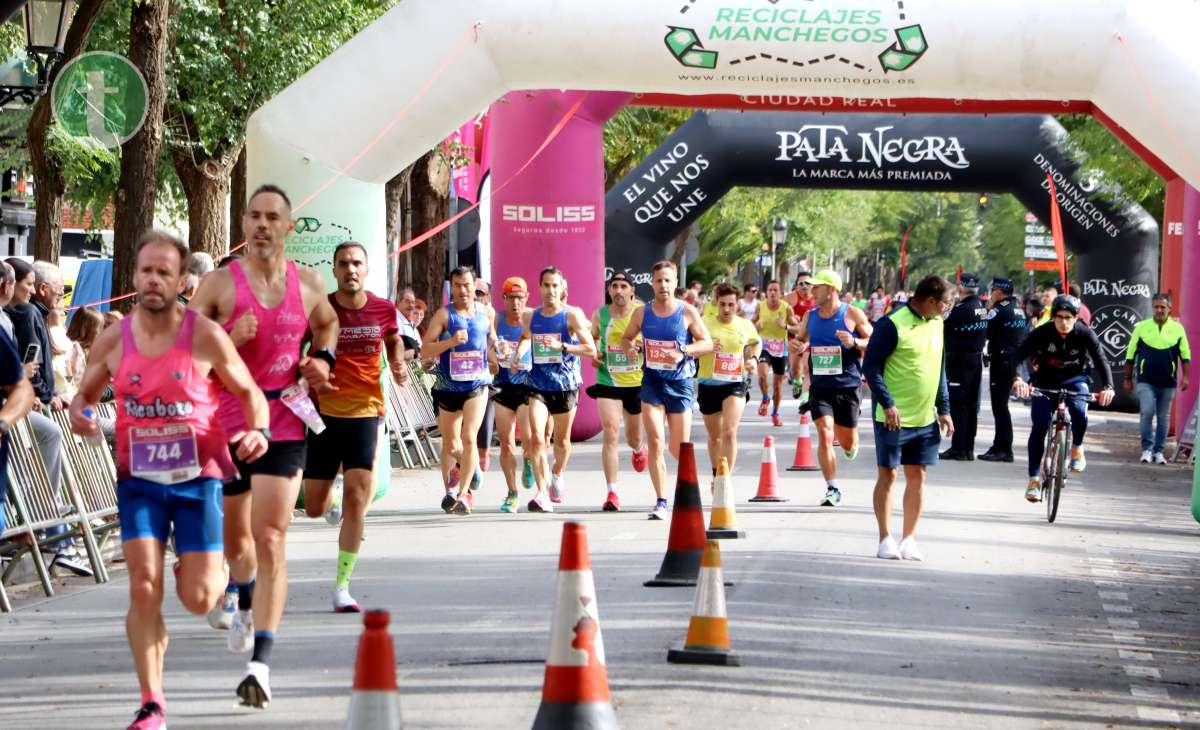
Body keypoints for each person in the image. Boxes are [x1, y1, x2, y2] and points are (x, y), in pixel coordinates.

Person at [69, 230, 269, 730]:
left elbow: (248, 391)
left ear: (182, 281)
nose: (153, 279)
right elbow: (83, 396)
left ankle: (201, 573)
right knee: (142, 585)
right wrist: (82, 414)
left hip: (197, 477)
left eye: (164, 271)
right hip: (139, 479)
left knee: (201, 598)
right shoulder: (114, 339)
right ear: (134, 278)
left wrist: (259, 430)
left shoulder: (204, 334)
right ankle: (152, 702)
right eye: (145, 271)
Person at [188, 184, 339, 708]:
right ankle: (243, 590)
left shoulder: (311, 284)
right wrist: (230, 331)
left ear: (289, 227)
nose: (260, 225)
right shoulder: (217, 285)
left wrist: (324, 360)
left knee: (271, 534)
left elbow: (328, 323)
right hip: (228, 417)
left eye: (272, 217)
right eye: (253, 216)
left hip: (285, 416)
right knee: (239, 545)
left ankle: (261, 664)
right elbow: (189, 355)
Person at [300, 242, 407, 613]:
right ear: (334, 269)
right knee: (313, 506)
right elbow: (298, 352)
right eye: (344, 263)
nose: (351, 269)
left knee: (359, 500)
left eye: (357, 263)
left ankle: (342, 586)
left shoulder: (383, 308)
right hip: (322, 415)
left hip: (365, 412)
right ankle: (330, 495)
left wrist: (397, 363)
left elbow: (393, 338)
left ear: (367, 268)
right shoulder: (321, 309)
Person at [4, 258, 91, 577]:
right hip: (18, 407)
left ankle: (56, 523)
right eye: (25, 285)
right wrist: (40, 393)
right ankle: (50, 519)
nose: (62, 298)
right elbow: (26, 362)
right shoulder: (25, 313)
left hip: (26, 402)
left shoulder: (23, 314)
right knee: (53, 436)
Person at [862, 275, 954, 562]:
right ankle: (885, 538)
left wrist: (944, 408)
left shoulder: (938, 323)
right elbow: (871, 366)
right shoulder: (892, 324)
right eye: (945, 304)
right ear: (930, 301)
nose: (947, 309)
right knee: (888, 475)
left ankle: (909, 539)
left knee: (918, 477)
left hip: (925, 417)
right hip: (893, 417)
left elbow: (939, 369)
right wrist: (888, 403)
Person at [620, 260, 712, 520]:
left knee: (678, 448)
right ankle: (661, 500)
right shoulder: (641, 313)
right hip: (652, 383)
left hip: (680, 383)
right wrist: (630, 347)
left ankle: (687, 492)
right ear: (652, 283)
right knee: (656, 442)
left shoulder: (687, 312)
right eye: (659, 280)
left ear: (675, 283)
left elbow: (706, 344)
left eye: (668, 280)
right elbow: (626, 337)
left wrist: (683, 351)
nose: (663, 285)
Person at [1012, 295, 1115, 502]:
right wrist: (1017, 379)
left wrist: (1109, 387)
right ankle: (1034, 479)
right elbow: (1017, 356)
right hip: (1045, 381)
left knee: (1078, 411)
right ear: (1053, 317)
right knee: (1039, 425)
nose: (1064, 322)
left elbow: (1101, 359)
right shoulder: (1042, 333)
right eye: (1059, 317)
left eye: (1069, 317)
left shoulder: (1085, 333)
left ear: (1076, 317)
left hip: (1076, 379)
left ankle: (1077, 446)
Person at [515, 267, 596, 512]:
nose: (550, 290)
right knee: (537, 437)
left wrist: (562, 346)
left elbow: (590, 349)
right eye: (546, 285)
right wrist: (519, 355)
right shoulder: (531, 316)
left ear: (562, 289)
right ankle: (542, 493)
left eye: (555, 286)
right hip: (537, 383)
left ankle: (557, 472)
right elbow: (526, 337)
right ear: (539, 288)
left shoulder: (571, 317)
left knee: (562, 440)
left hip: (565, 384)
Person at [422, 266, 496, 515]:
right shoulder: (444, 315)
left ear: (474, 286)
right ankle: (467, 468)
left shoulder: (487, 313)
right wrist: (450, 342)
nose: (462, 290)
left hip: (477, 383)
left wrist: (500, 351)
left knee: (469, 437)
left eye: (466, 285)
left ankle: (464, 494)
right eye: (457, 285)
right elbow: (425, 350)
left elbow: (492, 342)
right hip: (448, 384)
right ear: (451, 288)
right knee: (451, 444)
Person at [795, 270, 872, 507]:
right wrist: (797, 345)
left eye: (817, 287)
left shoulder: (851, 314)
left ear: (831, 289)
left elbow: (873, 340)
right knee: (825, 432)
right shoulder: (810, 316)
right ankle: (832, 488)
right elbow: (799, 340)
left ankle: (851, 445)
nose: (812, 291)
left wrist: (855, 342)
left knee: (847, 442)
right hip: (820, 387)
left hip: (848, 386)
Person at [585, 272, 648, 512]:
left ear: (632, 290)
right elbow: (592, 339)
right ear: (610, 291)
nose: (619, 291)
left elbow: (653, 341)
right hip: (608, 381)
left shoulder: (642, 313)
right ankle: (612, 491)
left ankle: (637, 449)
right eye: (614, 286)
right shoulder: (600, 315)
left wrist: (639, 346)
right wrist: (595, 354)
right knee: (610, 432)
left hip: (635, 382)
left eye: (623, 286)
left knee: (633, 436)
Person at [697, 283, 760, 479]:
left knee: (729, 432)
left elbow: (755, 343)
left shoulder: (745, 325)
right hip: (709, 384)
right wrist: (706, 347)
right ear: (716, 302)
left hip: (735, 383)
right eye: (722, 304)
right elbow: (690, 348)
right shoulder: (704, 323)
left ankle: (726, 480)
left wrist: (753, 359)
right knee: (715, 437)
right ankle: (717, 473)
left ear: (737, 304)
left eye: (731, 305)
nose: (726, 309)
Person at [1124, 293, 1190, 464]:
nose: (1159, 310)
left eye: (1163, 307)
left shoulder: (1178, 329)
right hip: (1145, 379)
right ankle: (1147, 449)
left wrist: (1186, 377)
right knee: (1147, 411)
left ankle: (1158, 451)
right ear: (1152, 308)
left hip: (1168, 381)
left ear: (1170, 308)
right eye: (1156, 307)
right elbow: (1130, 353)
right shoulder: (1142, 327)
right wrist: (1127, 378)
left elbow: (1185, 355)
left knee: (1163, 416)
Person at [491, 276, 534, 513]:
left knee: (527, 439)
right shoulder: (496, 320)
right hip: (503, 385)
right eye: (511, 298)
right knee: (506, 444)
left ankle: (528, 459)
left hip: (527, 385)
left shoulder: (532, 318)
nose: (515, 303)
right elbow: (487, 344)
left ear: (526, 298)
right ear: (504, 299)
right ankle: (512, 492)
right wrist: (494, 356)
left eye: (519, 298)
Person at [940, 273, 989, 461]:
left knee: (959, 405)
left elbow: (943, 326)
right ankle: (968, 447)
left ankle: (959, 447)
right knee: (969, 406)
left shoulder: (961, 309)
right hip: (975, 361)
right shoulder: (981, 308)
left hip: (960, 362)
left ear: (960, 288)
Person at [979, 278, 1027, 462]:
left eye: (993, 291)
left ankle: (1004, 448)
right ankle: (999, 444)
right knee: (1001, 406)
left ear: (999, 292)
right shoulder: (1019, 310)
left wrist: (990, 308)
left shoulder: (999, 310)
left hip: (1002, 361)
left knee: (999, 407)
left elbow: (986, 331)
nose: (991, 294)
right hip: (1014, 360)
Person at [754, 280, 799, 426]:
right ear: (766, 292)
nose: (773, 293)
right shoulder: (760, 306)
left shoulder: (786, 308)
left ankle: (775, 413)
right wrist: (756, 326)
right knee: (762, 376)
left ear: (780, 293)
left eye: (775, 290)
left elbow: (797, 328)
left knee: (777, 384)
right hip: (764, 345)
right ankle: (765, 397)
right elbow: (749, 325)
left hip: (781, 348)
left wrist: (785, 326)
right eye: (770, 290)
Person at [785, 271, 815, 399]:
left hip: (810, 337)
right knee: (796, 370)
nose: (804, 286)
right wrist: (791, 319)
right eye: (801, 283)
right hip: (795, 337)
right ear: (797, 285)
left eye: (807, 283)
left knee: (807, 368)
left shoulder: (817, 298)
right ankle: (797, 382)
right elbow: (781, 317)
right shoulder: (790, 298)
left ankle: (805, 399)